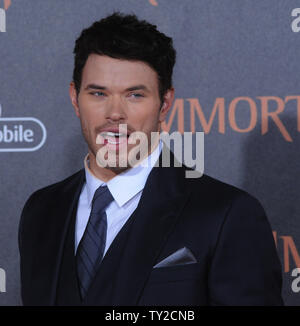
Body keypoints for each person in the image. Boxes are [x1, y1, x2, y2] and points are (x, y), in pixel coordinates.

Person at [18, 12, 283, 306]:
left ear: (165, 103)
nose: (114, 113)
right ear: (74, 98)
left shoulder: (226, 215)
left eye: (134, 95)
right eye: (98, 93)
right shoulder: (41, 211)